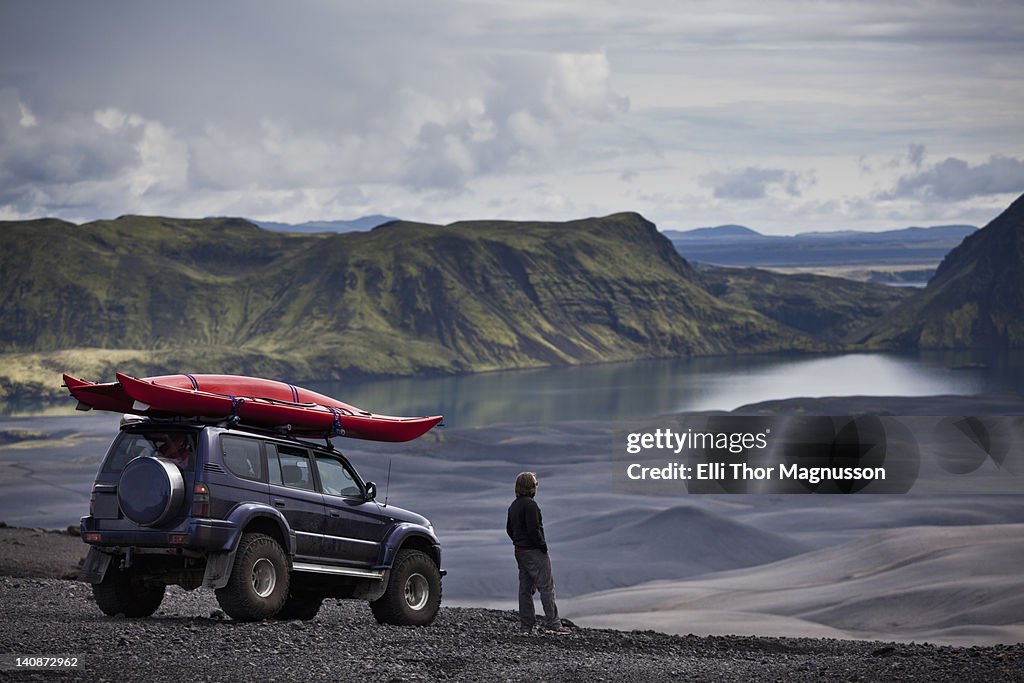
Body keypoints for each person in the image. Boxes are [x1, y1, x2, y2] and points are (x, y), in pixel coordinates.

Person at [506, 471, 569, 635]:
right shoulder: (530, 505)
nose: (536, 486)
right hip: (534, 551)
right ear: (531, 486)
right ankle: (554, 624)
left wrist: (518, 542)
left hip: (520, 551)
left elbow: (509, 529)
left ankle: (526, 627)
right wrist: (542, 546)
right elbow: (534, 530)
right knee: (546, 587)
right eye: (535, 484)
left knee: (525, 589)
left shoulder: (514, 505)